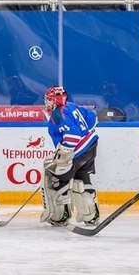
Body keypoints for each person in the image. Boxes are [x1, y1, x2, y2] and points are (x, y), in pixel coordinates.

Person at [41, 86, 100, 227]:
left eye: (49, 99)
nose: (47, 102)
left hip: (76, 152)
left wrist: (65, 153)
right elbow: (92, 118)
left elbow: (72, 135)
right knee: (82, 180)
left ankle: (60, 216)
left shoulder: (57, 114)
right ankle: (91, 216)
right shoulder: (72, 106)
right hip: (90, 147)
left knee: (56, 180)